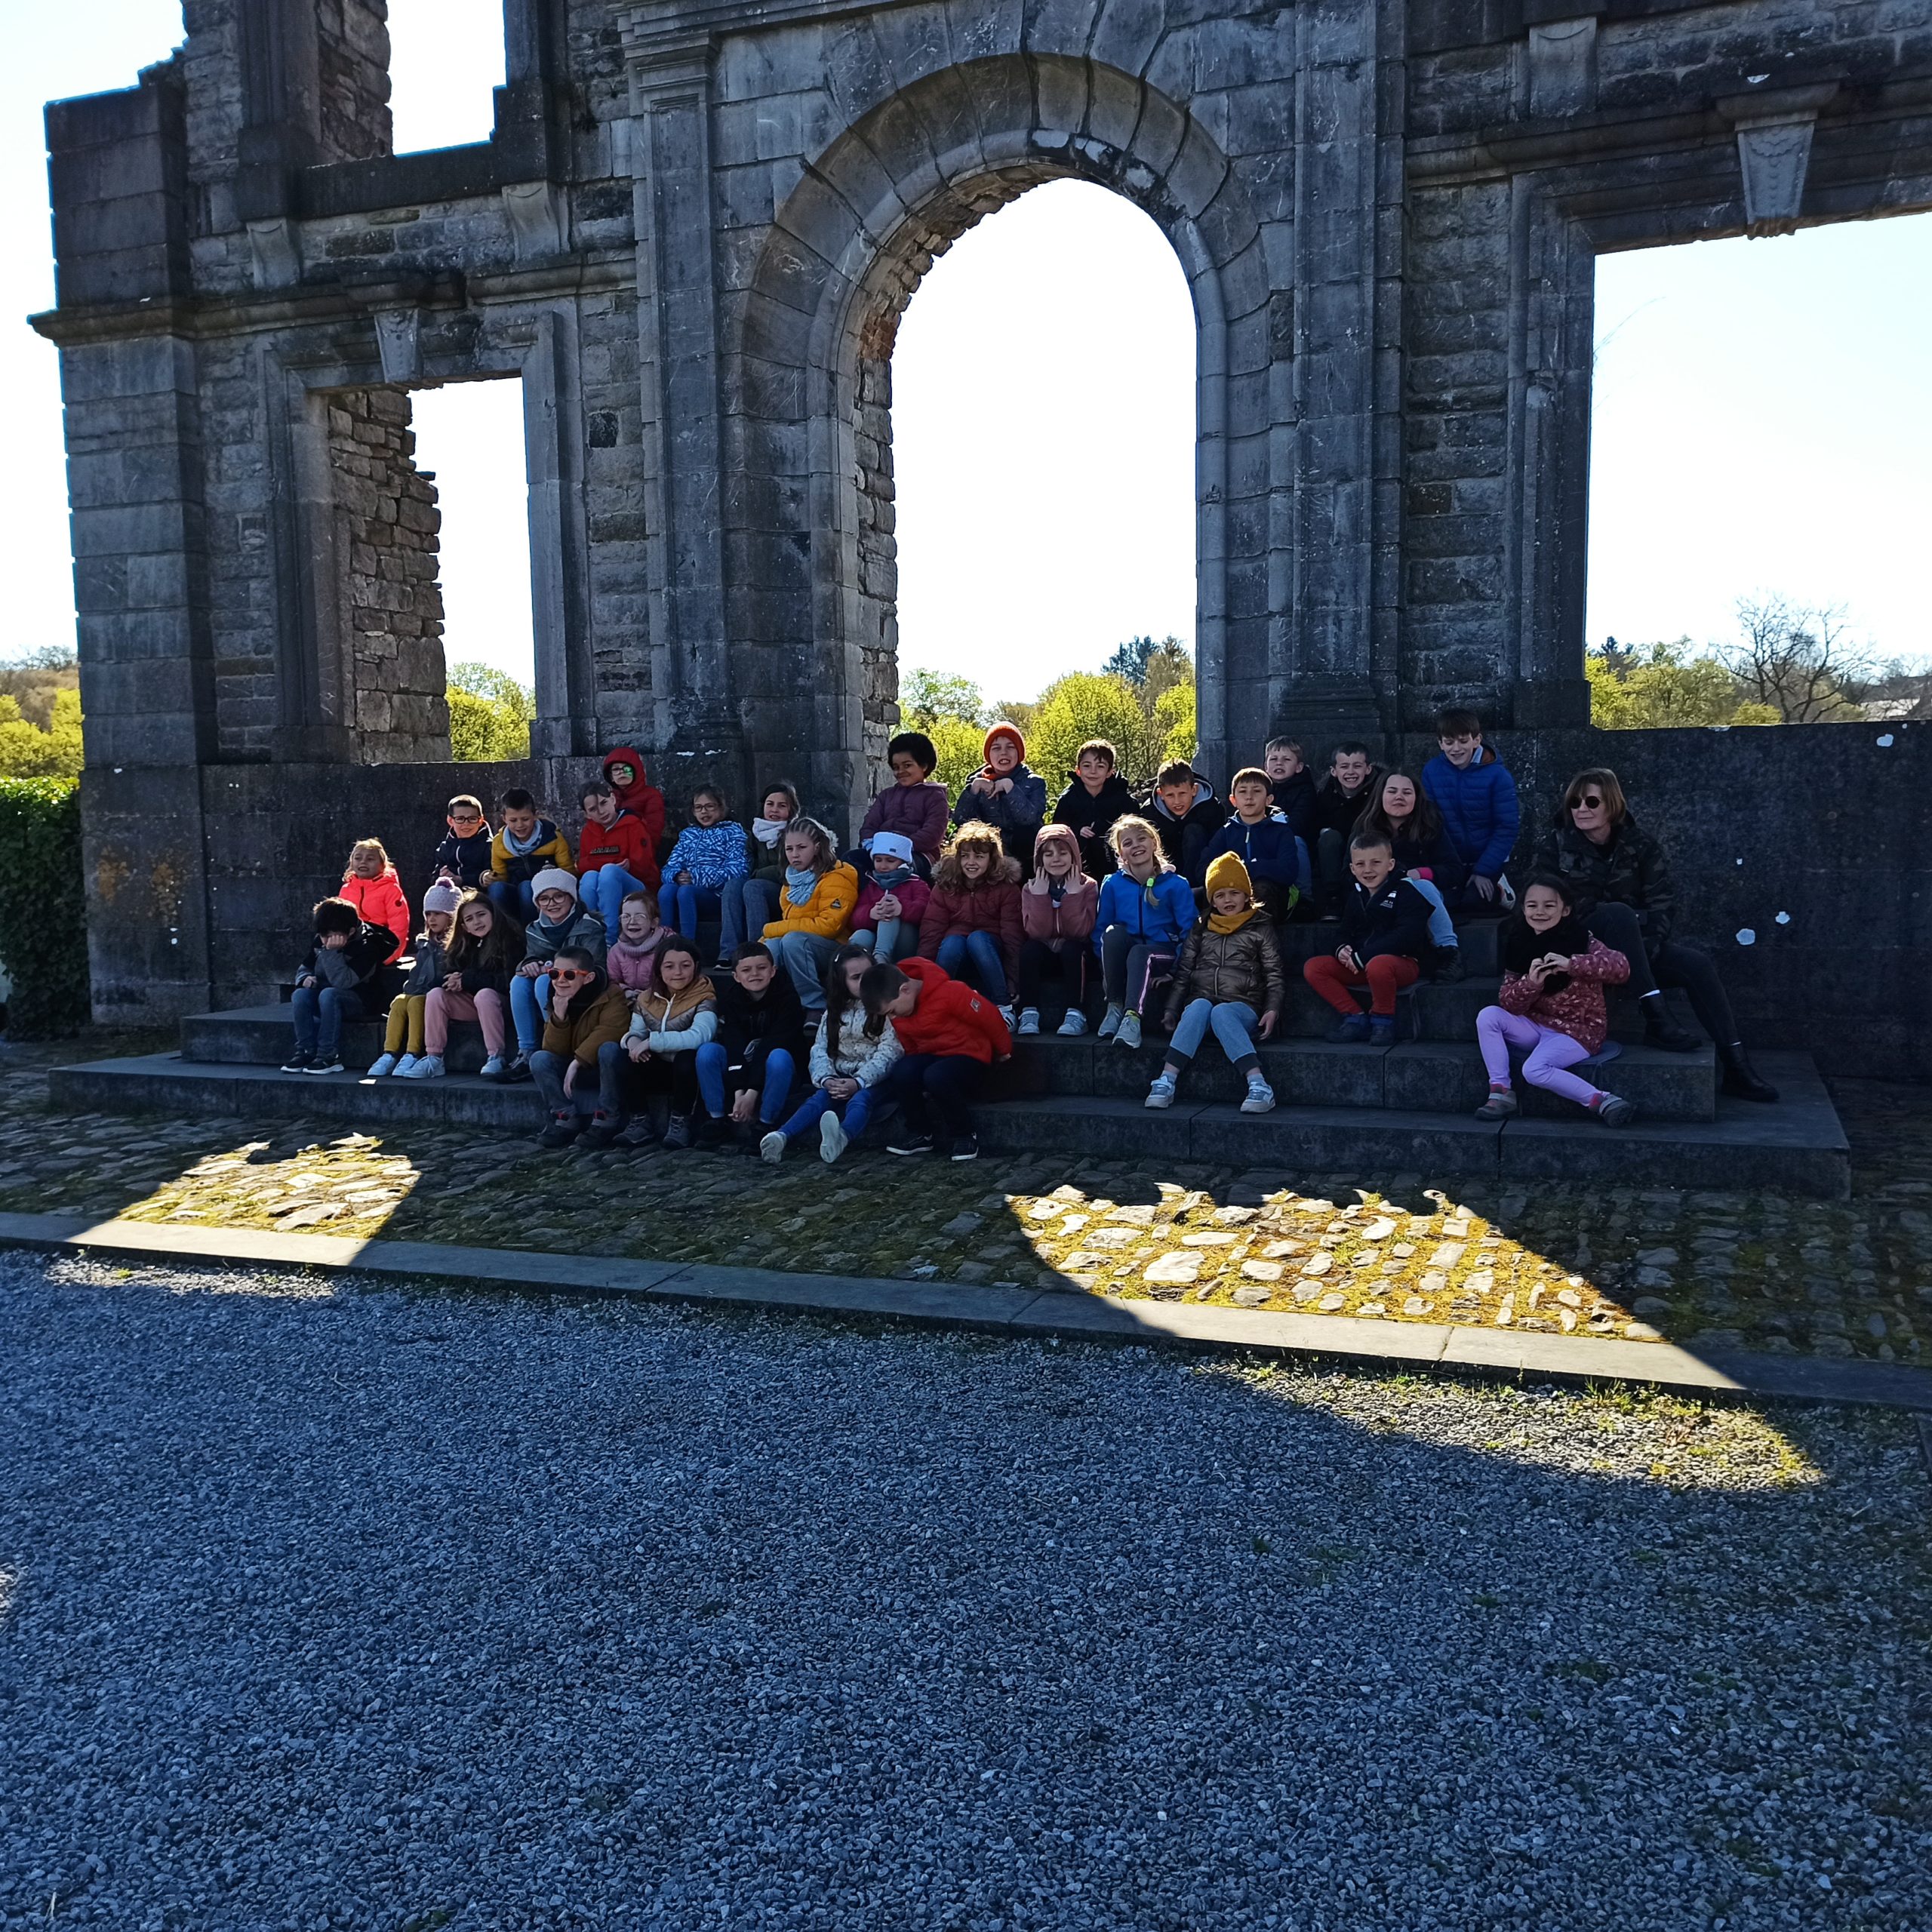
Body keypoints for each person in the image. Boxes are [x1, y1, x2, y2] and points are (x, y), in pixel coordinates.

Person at [1533, 768, 1777, 1100]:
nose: (1581, 809)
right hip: (1577, 949)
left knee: (1696, 964)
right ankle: (1656, 1016)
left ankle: (1737, 1066)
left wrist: (1644, 950)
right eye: (1574, 802)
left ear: (1612, 805)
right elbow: (1543, 903)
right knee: (1618, 913)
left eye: (1591, 801)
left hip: (1636, 951)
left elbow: (1662, 904)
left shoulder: (1641, 846)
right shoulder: (1556, 845)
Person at [1474, 876, 1634, 1126]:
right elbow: (1509, 1003)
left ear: (1565, 909)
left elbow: (1621, 968)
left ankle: (1603, 1100)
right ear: (1523, 909)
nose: (1540, 912)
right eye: (1532, 905)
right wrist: (1531, 984)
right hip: (1535, 1026)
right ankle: (1501, 1091)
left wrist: (1573, 964)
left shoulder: (1582, 940)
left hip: (1577, 1032)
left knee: (1533, 1070)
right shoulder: (1518, 943)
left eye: (1549, 905)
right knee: (1489, 1016)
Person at [1146, 854, 1284, 1115]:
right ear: (1212, 900)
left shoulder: (1260, 927)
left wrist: (1272, 1009)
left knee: (1222, 1012)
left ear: (1246, 895)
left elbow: (1274, 974)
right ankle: (1166, 1080)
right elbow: (1184, 973)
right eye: (1220, 895)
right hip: (1202, 1011)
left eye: (1234, 893)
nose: (1228, 900)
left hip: (1243, 1009)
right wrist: (1171, 1010)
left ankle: (1259, 1085)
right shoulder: (1201, 928)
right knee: (1200, 1005)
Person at [760, 944, 903, 1164]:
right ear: (842, 982)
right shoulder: (834, 1012)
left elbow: (890, 1051)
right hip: (840, 1075)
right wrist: (827, 1079)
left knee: (861, 1100)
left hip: (877, 1079)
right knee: (818, 1099)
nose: (865, 982)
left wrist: (859, 1082)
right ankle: (781, 1136)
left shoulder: (886, 1008)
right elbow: (820, 1048)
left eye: (869, 974)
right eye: (856, 978)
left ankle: (841, 1137)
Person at [864, 956, 1013, 1161]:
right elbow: (909, 1044)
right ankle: (920, 1133)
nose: (891, 1018)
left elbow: (989, 1017)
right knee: (903, 1071)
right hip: (934, 1057)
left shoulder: (951, 992)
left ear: (904, 990)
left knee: (936, 1076)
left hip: (970, 1055)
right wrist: (914, 1078)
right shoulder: (902, 1011)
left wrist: (1004, 1050)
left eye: (891, 1012)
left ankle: (964, 1134)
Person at [1303, 829, 1431, 1045]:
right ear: (1352, 869)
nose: (1368, 870)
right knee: (1314, 967)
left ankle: (1383, 1021)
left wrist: (1364, 956)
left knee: (1379, 964)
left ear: (1390, 864)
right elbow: (1343, 931)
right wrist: (1342, 949)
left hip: (1401, 964)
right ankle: (1355, 1018)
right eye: (1360, 864)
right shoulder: (1356, 895)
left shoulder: (1407, 893)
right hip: (1362, 963)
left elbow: (1406, 936)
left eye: (1375, 863)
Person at [1093, 814, 1197, 1049]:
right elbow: (1100, 931)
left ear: (1154, 843)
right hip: (1128, 958)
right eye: (1128, 843)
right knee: (1112, 932)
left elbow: (1190, 932)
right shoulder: (1112, 884)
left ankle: (1132, 1019)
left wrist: (1175, 970)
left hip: (1163, 954)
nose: (1136, 846)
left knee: (1141, 952)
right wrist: (1108, 970)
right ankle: (1114, 1006)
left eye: (1141, 839)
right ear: (1120, 853)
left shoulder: (1176, 884)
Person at [1356, 768, 1469, 981]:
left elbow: (1454, 870)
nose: (1399, 797)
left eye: (1407, 792)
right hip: (1378, 895)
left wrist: (1420, 873)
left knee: (1422, 886)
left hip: (1421, 894)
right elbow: (1348, 870)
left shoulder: (1430, 825)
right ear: (1381, 795)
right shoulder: (1364, 827)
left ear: (1416, 798)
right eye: (1392, 791)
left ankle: (1450, 953)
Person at [697, 942, 808, 1149]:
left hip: (780, 1072)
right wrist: (739, 1091)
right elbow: (734, 1044)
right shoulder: (732, 999)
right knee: (708, 1052)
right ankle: (717, 1119)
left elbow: (772, 1044)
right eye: (746, 970)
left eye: (762, 968)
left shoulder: (788, 999)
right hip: (745, 1069)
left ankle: (766, 1124)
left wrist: (751, 1093)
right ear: (736, 976)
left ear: (773, 971)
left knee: (778, 1057)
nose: (755, 974)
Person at [616, 937, 718, 1150]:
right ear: (659, 969)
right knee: (622, 1058)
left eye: (685, 966)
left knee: (687, 1057)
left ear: (696, 966)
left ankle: (681, 1122)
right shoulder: (646, 998)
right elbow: (636, 1032)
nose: (677, 973)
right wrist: (633, 1042)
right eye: (669, 966)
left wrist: (652, 1042)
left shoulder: (705, 996)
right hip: (658, 1068)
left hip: (688, 1074)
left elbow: (700, 1036)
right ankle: (640, 1121)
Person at [281, 896, 400, 1076]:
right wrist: (305, 978)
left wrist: (332, 952)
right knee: (300, 995)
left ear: (351, 931)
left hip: (359, 1001)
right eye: (323, 936)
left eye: (331, 936)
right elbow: (305, 967)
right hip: (324, 997)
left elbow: (343, 982)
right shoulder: (321, 938)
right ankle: (305, 1050)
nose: (325, 941)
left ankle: (329, 1055)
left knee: (329, 994)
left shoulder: (368, 946)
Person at [506, 868, 607, 1077]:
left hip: (582, 991)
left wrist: (553, 970)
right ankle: (526, 1051)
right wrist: (530, 964)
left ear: (571, 897)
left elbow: (596, 969)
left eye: (558, 896)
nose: (551, 903)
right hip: (552, 986)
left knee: (544, 981)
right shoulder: (534, 929)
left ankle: (556, 1046)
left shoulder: (589, 926)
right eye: (544, 899)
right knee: (519, 982)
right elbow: (530, 957)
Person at [530, 946, 632, 1149]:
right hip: (572, 1065)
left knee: (609, 1049)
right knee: (539, 1059)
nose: (560, 980)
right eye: (554, 974)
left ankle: (606, 1118)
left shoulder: (611, 993)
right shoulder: (555, 995)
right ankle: (564, 1116)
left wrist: (578, 1061)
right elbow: (553, 1049)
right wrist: (559, 1017)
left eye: (569, 975)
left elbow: (611, 1030)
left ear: (588, 978)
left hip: (601, 1066)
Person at [918, 824, 1023, 1019]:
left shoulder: (1006, 887)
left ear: (991, 859)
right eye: (965, 856)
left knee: (978, 939)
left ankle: (1003, 1006)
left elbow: (1012, 935)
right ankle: (936, 1003)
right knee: (952, 942)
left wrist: (1013, 979)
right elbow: (932, 931)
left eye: (979, 857)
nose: (971, 862)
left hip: (991, 953)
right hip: (957, 953)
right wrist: (923, 976)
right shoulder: (945, 885)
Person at [1423, 709, 1520, 906]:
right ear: (1440, 744)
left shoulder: (1498, 776)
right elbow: (1430, 820)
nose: (1456, 748)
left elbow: (1507, 827)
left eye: (1463, 741)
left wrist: (1484, 870)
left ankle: (1502, 888)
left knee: (1475, 901)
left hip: (1488, 859)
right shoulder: (1431, 771)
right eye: (1449, 742)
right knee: (1443, 904)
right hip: (1451, 860)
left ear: (1476, 740)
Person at [420, 888, 518, 1081]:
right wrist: (452, 980)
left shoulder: (510, 938)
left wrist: (466, 979)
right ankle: (434, 1058)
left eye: (481, 915)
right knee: (436, 995)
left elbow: (508, 981)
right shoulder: (462, 943)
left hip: (504, 1004)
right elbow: (442, 976)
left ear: (493, 914)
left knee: (485, 995)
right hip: (474, 1005)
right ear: (464, 926)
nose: (477, 922)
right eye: (470, 919)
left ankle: (496, 1056)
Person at [761, 817, 858, 1011]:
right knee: (770, 947)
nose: (795, 855)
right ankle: (771, 1005)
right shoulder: (791, 879)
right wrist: (761, 943)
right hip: (799, 943)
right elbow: (789, 924)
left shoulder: (837, 877)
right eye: (789, 849)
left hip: (834, 946)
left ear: (817, 847)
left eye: (801, 847)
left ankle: (814, 1006)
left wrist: (772, 929)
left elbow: (829, 927)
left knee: (793, 941)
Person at [368, 880, 462, 1077]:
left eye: (438, 914)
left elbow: (446, 975)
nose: (431, 919)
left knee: (416, 1003)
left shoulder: (456, 945)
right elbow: (417, 974)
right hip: (421, 990)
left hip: (441, 995)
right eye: (428, 914)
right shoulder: (425, 944)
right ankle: (389, 1053)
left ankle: (412, 1053)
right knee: (400, 1001)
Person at [1016, 823, 1098, 1036]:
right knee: (1030, 950)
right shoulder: (1030, 888)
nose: (1056, 859)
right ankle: (1029, 1012)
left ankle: (1076, 1013)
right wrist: (1040, 896)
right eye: (1049, 854)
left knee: (1072, 948)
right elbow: (1037, 933)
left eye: (1063, 853)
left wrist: (1073, 895)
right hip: (1047, 954)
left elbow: (1080, 931)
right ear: (1039, 859)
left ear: (1074, 856)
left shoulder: (1088, 886)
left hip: (1076, 957)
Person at [1203, 768, 1308, 922]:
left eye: (1257, 791)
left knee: (1261, 889)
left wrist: (1249, 867)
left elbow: (1288, 871)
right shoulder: (1225, 832)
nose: (1249, 797)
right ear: (1233, 800)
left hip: (1274, 894)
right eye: (1243, 792)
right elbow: (1205, 867)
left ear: (1269, 799)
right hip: (1233, 890)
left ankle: (1259, 935)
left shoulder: (1282, 831)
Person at [720, 781, 798, 962]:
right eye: (770, 804)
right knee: (733, 885)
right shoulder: (756, 833)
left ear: (791, 809)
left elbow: (789, 870)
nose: (774, 810)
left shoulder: (796, 832)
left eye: (782, 805)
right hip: (757, 886)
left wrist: (758, 875)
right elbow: (748, 864)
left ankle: (756, 950)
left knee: (753, 886)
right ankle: (728, 952)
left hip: (787, 891)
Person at [575, 778, 660, 943]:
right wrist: (614, 861)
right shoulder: (588, 832)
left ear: (613, 799)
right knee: (589, 877)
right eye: (593, 809)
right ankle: (589, 935)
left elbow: (642, 866)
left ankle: (609, 938)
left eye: (604, 803)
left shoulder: (633, 825)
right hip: (604, 887)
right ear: (587, 814)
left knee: (609, 872)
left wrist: (603, 864)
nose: (601, 811)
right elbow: (583, 866)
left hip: (638, 889)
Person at [661, 784, 750, 940]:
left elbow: (738, 870)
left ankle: (687, 945)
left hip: (716, 896)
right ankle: (663, 941)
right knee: (666, 890)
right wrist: (676, 876)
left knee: (685, 891)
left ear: (721, 808)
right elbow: (669, 867)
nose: (704, 812)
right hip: (687, 894)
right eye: (699, 807)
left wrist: (696, 877)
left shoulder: (733, 832)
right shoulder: (688, 835)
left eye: (710, 806)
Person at [950, 721, 1047, 866]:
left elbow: (1029, 819)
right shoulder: (976, 782)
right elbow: (961, 821)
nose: (1004, 752)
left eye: (1010, 747)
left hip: (1024, 854)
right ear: (988, 754)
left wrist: (1010, 789)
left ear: (1019, 752)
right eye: (996, 748)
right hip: (986, 852)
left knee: (1025, 836)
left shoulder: (1034, 782)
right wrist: (973, 790)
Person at [1312, 742, 1384, 916]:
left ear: (1368, 769)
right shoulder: (1326, 793)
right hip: (1336, 848)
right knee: (1329, 838)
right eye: (1344, 767)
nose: (1351, 772)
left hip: (1367, 846)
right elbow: (1318, 824)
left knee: (1360, 836)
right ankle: (1333, 897)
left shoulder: (1380, 790)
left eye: (1357, 766)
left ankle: (1359, 894)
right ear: (1334, 771)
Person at [1051, 739, 1140, 880]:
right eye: (1087, 766)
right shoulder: (1068, 799)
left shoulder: (1123, 799)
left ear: (1110, 772)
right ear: (1078, 770)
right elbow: (1055, 832)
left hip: (1115, 864)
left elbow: (1137, 830)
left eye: (1100, 766)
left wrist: (1107, 828)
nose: (1093, 771)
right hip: (1078, 866)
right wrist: (1077, 830)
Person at [858, 730, 949, 867]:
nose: (901, 771)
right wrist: (872, 845)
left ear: (924, 765)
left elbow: (933, 833)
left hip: (918, 853)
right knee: (852, 860)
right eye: (896, 767)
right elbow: (869, 826)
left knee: (901, 867)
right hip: (881, 851)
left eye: (907, 765)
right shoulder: (886, 796)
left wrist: (900, 847)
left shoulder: (935, 796)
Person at [485, 787, 574, 922]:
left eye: (525, 819)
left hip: (546, 893)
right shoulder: (499, 843)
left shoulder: (553, 838)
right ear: (504, 819)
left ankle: (531, 930)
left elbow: (568, 872)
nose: (520, 825)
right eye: (513, 820)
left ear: (535, 815)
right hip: (514, 892)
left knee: (527, 886)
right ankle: (502, 930)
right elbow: (501, 876)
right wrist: (490, 878)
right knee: (496, 888)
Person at [1141, 758, 1223, 889]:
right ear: (1160, 794)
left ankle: (1194, 888)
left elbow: (1217, 846)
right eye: (1170, 795)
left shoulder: (1211, 809)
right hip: (1165, 869)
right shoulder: (1149, 813)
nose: (1177, 801)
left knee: (1194, 831)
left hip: (1200, 871)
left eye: (1182, 794)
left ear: (1194, 790)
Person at [852, 830, 931, 964]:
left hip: (906, 941)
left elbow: (925, 912)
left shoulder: (917, 884)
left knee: (889, 911)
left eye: (890, 861)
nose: (883, 866)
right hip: (875, 935)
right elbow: (855, 919)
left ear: (903, 862)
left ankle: (880, 960)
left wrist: (901, 909)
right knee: (860, 937)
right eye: (878, 860)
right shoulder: (872, 885)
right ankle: (861, 967)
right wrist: (871, 913)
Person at [340, 838, 409, 965]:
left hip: (381, 945)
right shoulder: (346, 889)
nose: (363, 862)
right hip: (353, 944)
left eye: (370, 859)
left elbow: (399, 924)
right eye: (358, 858)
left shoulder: (391, 889)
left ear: (382, 865)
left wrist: (391, 955)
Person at [600, 747, 666, 863]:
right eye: (616, 769)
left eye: (626, 768)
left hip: (638, 857)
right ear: (611, 777)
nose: (621, 772)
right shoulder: (608, 798)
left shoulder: (652, 795)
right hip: (609, 855)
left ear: (636, 770)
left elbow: (653, 833)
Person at [605, 888, 667, 996]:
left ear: (654, 922)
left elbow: (672, 980)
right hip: (627, 998)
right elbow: (613, 981)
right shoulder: (616, 952)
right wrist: (626, 991)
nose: (632, 922)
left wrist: (649, 994)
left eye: (639, 917)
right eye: (626, 917)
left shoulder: (667, 949)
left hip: (659, 997)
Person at [431, 795, 494, 891]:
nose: (466, 824)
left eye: (472, 819)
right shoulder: (445, 847)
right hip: (451, 893)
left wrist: (462, 880)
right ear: (450, 821)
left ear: (480, 821)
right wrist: (442, 876)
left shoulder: (489, 846)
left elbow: (491, 876)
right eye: (460, 819)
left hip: (479, 893)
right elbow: (434, 878)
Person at [1264, 737, 1319, 848]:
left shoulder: (1306, 790)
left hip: (1294, 840)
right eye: (1274, 759)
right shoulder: (1261, 788)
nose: (1279, 763)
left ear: (1298, 767)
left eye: (1286, 760)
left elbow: (1298, 824)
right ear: (1266, 766)